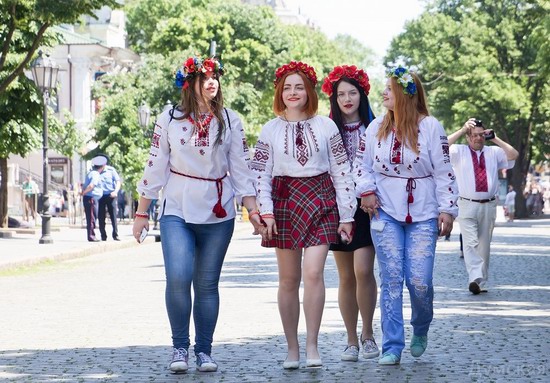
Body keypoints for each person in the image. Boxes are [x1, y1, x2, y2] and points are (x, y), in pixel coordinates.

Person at [132, 56, 263, 373]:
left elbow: (241, 170)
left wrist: (254, 210)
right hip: (177, 207)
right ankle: (180, 348)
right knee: (178, 277)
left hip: (218, 213)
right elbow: (155, 165)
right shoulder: (170, 118)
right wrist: (141, 211)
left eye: (215, 77)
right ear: (189, 84)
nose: (212, 82)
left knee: (206, 284)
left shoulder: (230, 120)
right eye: (204, 77)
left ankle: (204, 350)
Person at [250, 61, 356, 369]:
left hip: (322, 200)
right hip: (284, 202)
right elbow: (260, 174)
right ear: (280, 93)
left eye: (299, 87)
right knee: (288, 279)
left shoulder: (326, 126)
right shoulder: (270, 129)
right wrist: (265, 212)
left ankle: (312, 345)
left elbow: (341, 170)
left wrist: (347, 215)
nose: (293, 93)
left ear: (308, 90)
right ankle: (292, 348)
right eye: (287, 88)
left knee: (313, 273)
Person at [353, 66, 458, 365]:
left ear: (405, 94)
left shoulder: (431, 127)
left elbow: (444, 171)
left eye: (389, 88)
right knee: (391, 279)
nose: (384, 92)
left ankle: (421, 326)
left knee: (419, 280)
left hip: (423, 213)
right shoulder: (375, 128)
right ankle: (392, 345)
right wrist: (367, 190)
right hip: (385, 212)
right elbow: (362, 166)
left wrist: (447, 209)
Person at [320, 65, 379, 361]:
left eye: (352, 92)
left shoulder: (377, 127)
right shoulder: (327, 129)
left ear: (362, 95)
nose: (346, 98)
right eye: (340, 93)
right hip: (337, 207)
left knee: (364, 270)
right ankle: (351, 339)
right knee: (345, 276)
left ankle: (368, 334)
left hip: (368, 207)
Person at [448, 118, 518, 294]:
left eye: (481, 135)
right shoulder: (459, 151)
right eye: (473, 135)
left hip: (488, 205)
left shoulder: (493, 152)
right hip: (466, 203)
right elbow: (440, 147)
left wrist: (495, 138)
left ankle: (479, 281)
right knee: (470, 242)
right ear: (468, 137)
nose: (477, 138)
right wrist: (462, 130)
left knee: (484, 245)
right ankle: (475, 277)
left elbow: (513, 155)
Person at [80, 156, 105, 242]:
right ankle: (91, 236)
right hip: (91, 198)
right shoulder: (95, 174)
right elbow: (91, 185)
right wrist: (84, 192)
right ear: (103, 166)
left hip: (91, 198)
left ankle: (91, 235)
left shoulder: (91, 173)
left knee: (91, 217)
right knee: (91, 217)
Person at [98, 154, 121, 241]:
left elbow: (118, 181)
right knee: (101, 216)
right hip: (100, 196)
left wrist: (115, 191)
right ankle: (103, 235)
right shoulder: (95, 170)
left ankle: (115, 234)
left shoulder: (111, 170)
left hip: (111, 195)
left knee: (113, 216)